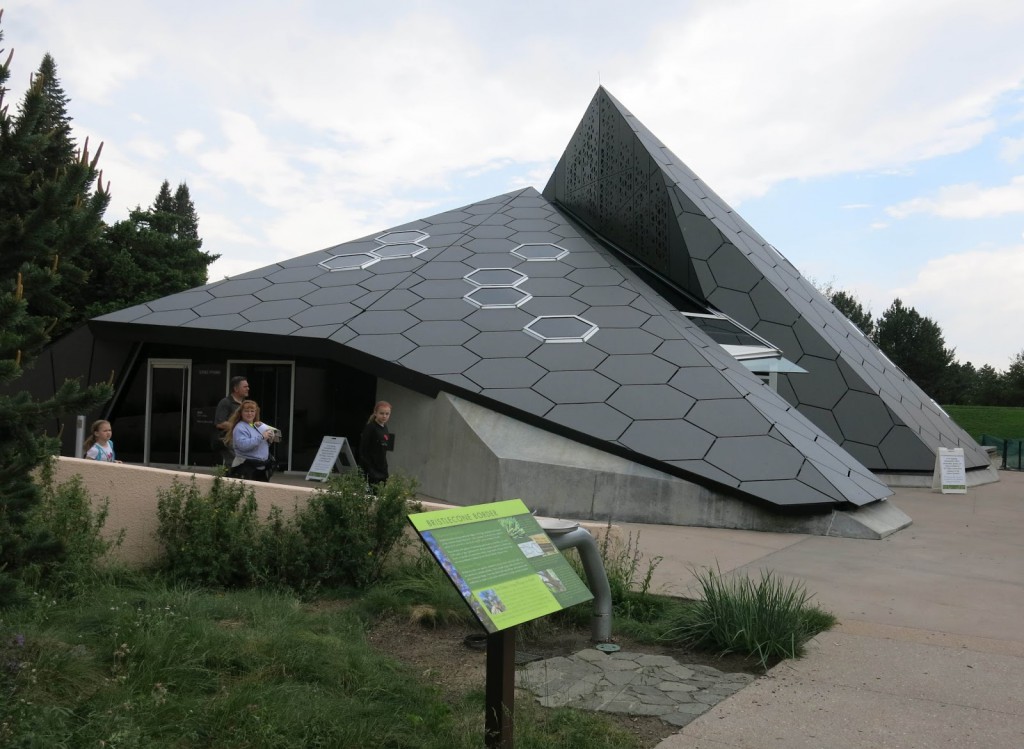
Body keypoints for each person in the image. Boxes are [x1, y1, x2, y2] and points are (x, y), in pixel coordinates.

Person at [223, 399, 278, 482]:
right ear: (241, 413)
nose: (249, 413)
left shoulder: (257, 426)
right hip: (245, 467)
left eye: (252, 411)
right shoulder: (240, 427)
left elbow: (260, 444)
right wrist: (262, 437)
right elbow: (243, 445)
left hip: (260, 468)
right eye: (246, 411)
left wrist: (269, 439)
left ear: (256, 413)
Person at [214, 376, 249, 465]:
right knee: (235, 464)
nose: (248, 389)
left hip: (242, 440)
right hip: (228, 440)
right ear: (236, 389)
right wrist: (240, 427)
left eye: (247, 386)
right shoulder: (226, 402)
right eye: (245, 387)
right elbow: (220, 423)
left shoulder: (245, 404)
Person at [359, 400, 392, 488]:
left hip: (382, 470)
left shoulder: (385, 428)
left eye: (387, 414)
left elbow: (383, 451)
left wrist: (385, 470)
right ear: (375, 413)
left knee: (381, 493)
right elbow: (363, 451)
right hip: (372, 471)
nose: (384, 416)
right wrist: (369, 470)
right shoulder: (370, 428)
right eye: (381, 413)